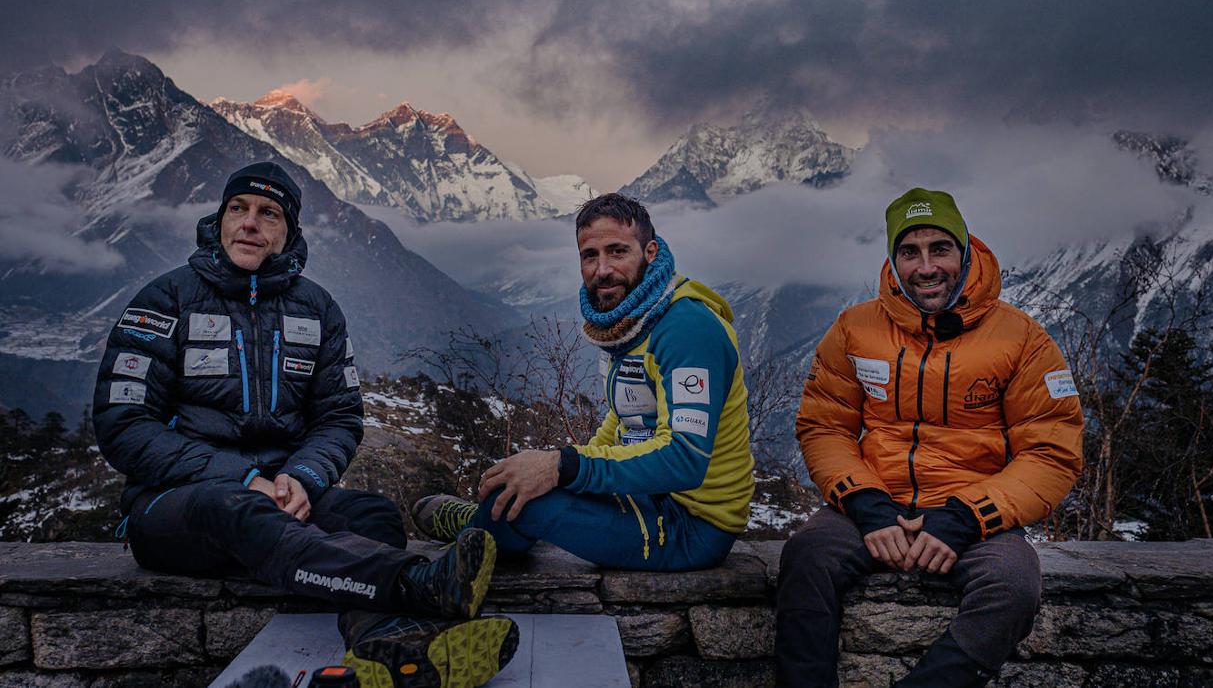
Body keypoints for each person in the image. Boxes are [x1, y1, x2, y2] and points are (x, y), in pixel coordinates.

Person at [93, 162, 516, 688]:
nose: (250, 223)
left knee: (372, 513)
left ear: (288, 232)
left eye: (268, 214)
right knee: (227, 503)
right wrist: (243, 479)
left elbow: (339, 416)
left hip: (283, 499)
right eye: (237, 209)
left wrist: (304, 476)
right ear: (219, 221)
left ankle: (387, 646)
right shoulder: (165, 300)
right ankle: (415, 585)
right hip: (176, 508)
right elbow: (123, 421)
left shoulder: (317, 309)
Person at [775, 188, 1084, 687]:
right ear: (893, 259)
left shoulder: (1023, 339)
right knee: (806, 558)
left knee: (1013, 585)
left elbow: (1052, 451)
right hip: (872, 504)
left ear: (964, 250)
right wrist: (866, 503)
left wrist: (967, 516)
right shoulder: (854, 329)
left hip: (976, 515)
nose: (925, 267)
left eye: (939, 249)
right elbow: (825, 426)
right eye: (909, 251)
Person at [413, 193, 755, 571]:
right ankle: (484, 524)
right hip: (651, 497)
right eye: (590, 255)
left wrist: (565, 466)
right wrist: (559, 472)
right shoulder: (633, 320)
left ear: (651, 252)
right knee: (516, 481)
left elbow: (685, 460)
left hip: (692, 526)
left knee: (531, 500)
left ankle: (445, 568)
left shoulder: (688, 329)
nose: (602, 269)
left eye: (617, 252)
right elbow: (627, 416)